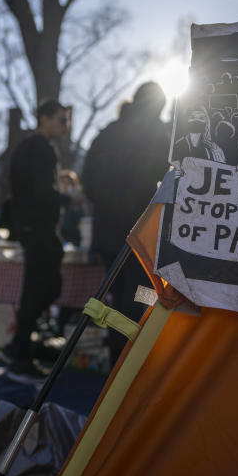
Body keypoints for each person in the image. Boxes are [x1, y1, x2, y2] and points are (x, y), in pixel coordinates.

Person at [82, 81, 171, 364]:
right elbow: (164, 173)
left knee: (117, 300)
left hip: (107, 232)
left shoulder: (108, 132)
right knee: (141, 298)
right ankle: (133, 366)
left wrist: (105, 202)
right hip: (140, 231)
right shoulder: (158, 131)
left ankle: (117, 364)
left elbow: (87, 179)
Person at [0, 100, 70, 380]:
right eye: (61, 120)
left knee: (40, 287)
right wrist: (69, 198)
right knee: (44, 286)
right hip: (39, 228)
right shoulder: (41, 149)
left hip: (30, 227)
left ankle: (18, 346)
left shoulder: (26, 148)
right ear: (45, 119)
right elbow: (42, 192)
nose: (65, 126)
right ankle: (21, 355)